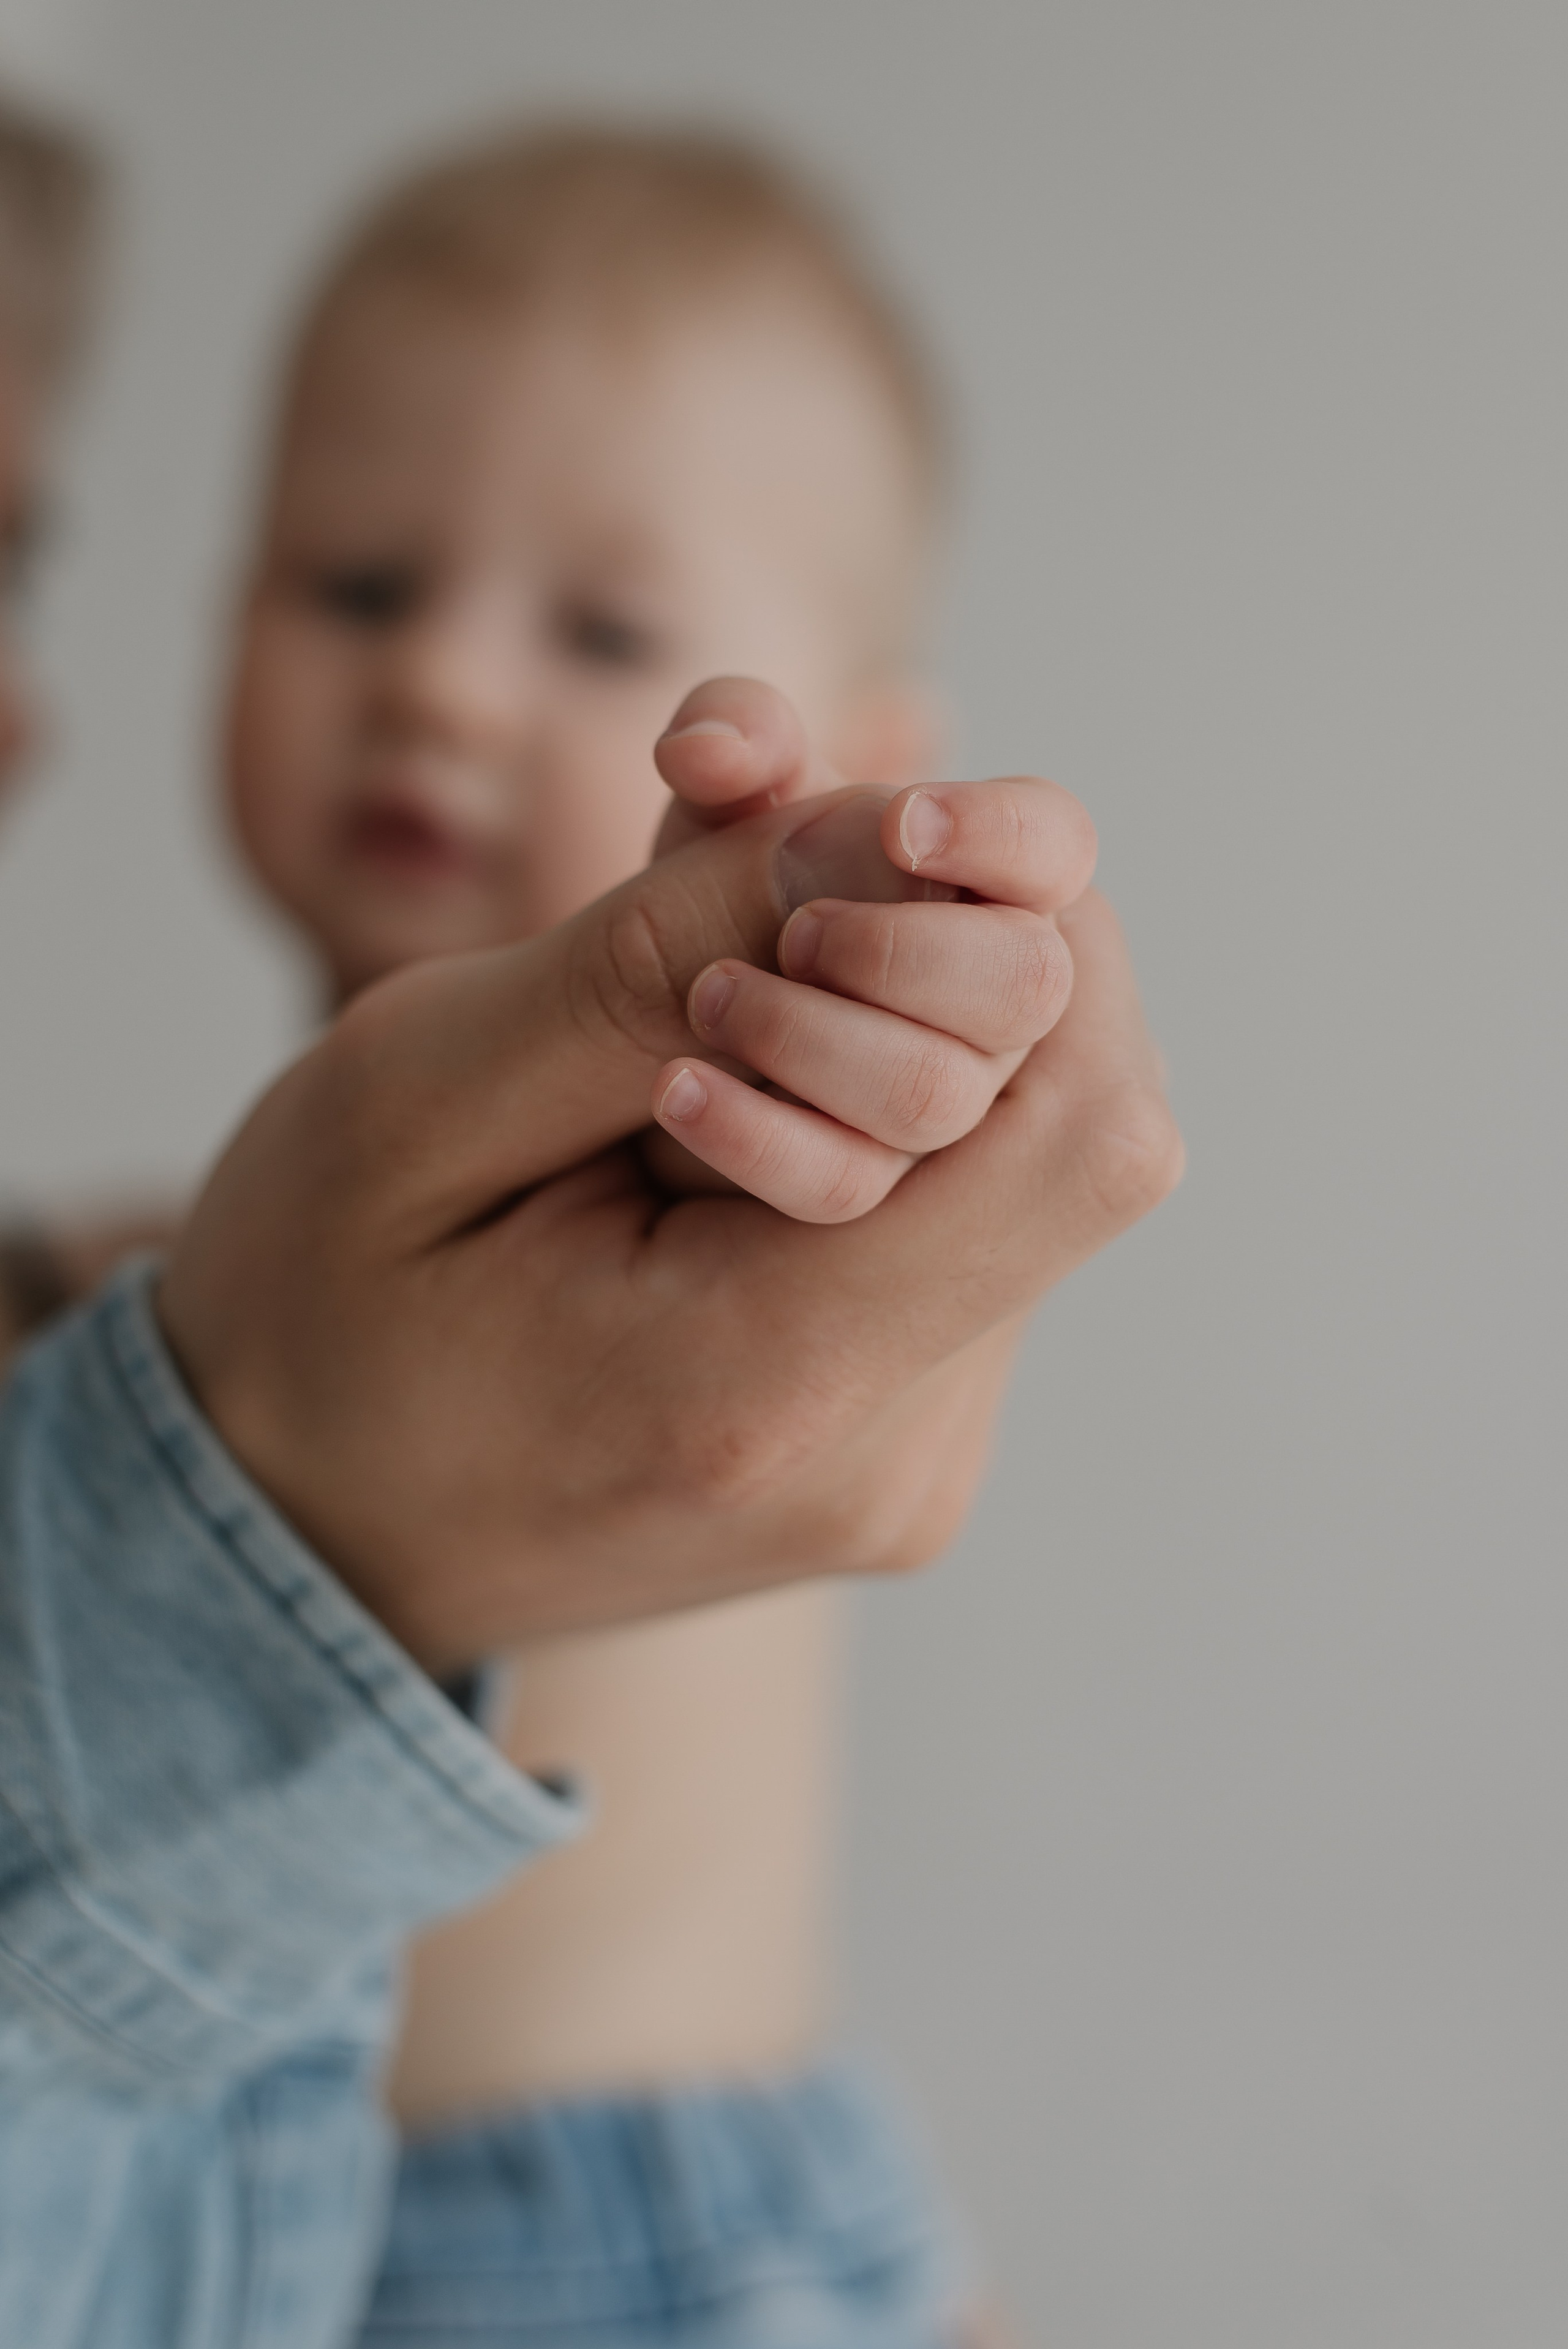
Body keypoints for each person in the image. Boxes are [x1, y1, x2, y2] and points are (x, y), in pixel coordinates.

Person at [0, 92, 1182, 2349]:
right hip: (229, 2224)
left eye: (600, 625)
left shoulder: (713, 1155)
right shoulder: (170, 1261)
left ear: (857, 747)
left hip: (647, 2238)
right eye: (359, 586)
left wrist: (896, 968)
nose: (439, 680)